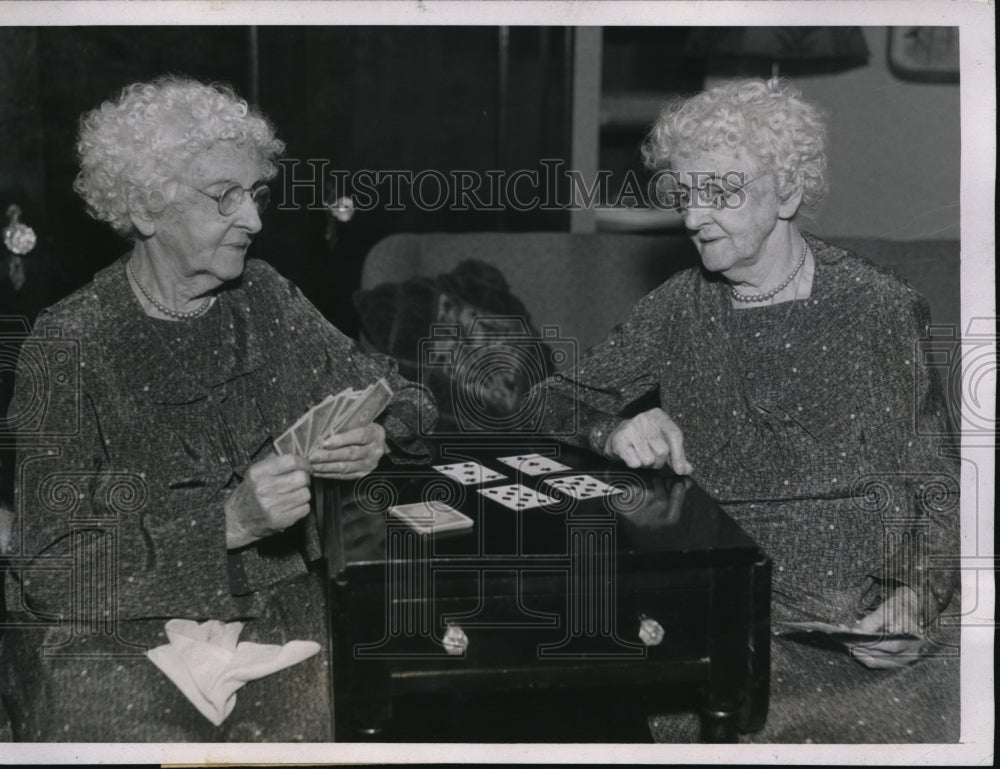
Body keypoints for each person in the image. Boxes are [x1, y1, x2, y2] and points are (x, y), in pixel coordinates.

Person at [0, 76, 435, 742]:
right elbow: (51, 568)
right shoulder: (67, 344)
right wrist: (226, 523)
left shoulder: (264, 297)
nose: (256, 221)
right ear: (147, 208)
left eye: (256, 195)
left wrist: (380, 431)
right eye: (225, 197)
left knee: (340, 717)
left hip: (274, 616)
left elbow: (406, 396)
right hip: (112, 633)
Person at [537, 78, 959, 743]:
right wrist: (617, 427)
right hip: (731, 616)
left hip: (872, 626)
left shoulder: (878, 309)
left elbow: (933, 485)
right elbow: (549, 400)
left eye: (721, 194)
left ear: (788, 192)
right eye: (686, 195)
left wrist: (915, 598)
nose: (694, 217)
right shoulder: (678, 308)